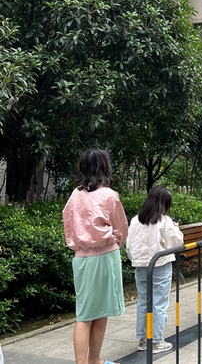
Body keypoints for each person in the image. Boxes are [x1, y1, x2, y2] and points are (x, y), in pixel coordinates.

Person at [62, 149, 129, 364]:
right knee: (98, 312)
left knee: (86, 313)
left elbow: (68, 224)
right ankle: (93, 360)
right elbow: (122, 226)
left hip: (81, 258)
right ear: (104, 167)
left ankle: (88, 361)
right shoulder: (109, 195)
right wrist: (117, 240)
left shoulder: (75, 195)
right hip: (105, 256)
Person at [127, 186, 184, 353]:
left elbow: (129, 245)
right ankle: (157, 341)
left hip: (140, 267)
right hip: (160, 265)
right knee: (159, 302)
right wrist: (176, 227)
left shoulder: (135, 220)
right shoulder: (164, 220)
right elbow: (176, 242)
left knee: (143, 301)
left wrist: (136, 260)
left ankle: (143, 339)